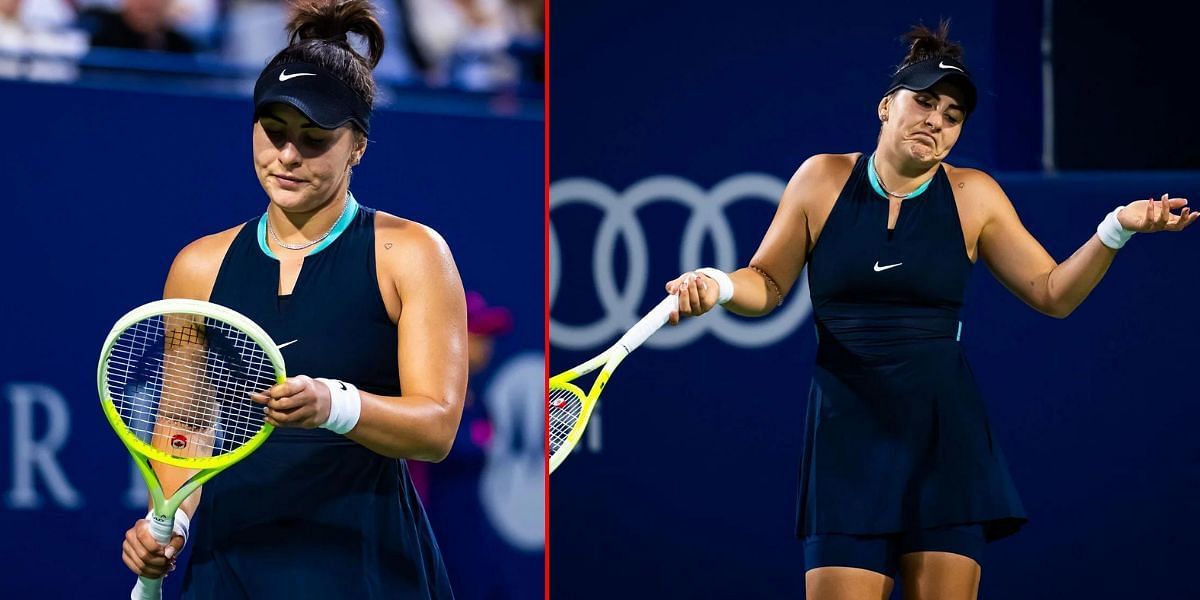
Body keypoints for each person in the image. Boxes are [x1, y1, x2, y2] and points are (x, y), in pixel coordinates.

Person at [667, 22, 1196, 600]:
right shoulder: (821, 178)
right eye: (924, 103)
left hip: (945, 444)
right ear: (886, 106)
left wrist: (1115, 228)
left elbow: (1052, 292)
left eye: (951, 116)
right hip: (846, 441)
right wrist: (718, 284)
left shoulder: (975, 195)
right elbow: (766, 283)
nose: (935, 121)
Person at [118, 1, 466, 597]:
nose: (287, 155)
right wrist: (170, 518)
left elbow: (435, 428)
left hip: (363, 565)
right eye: (274, 132)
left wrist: (334, 404)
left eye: (314, 139)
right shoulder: (197, 267)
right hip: (231, 564)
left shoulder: (410, 253)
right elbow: (183, 426)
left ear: (357, 145)